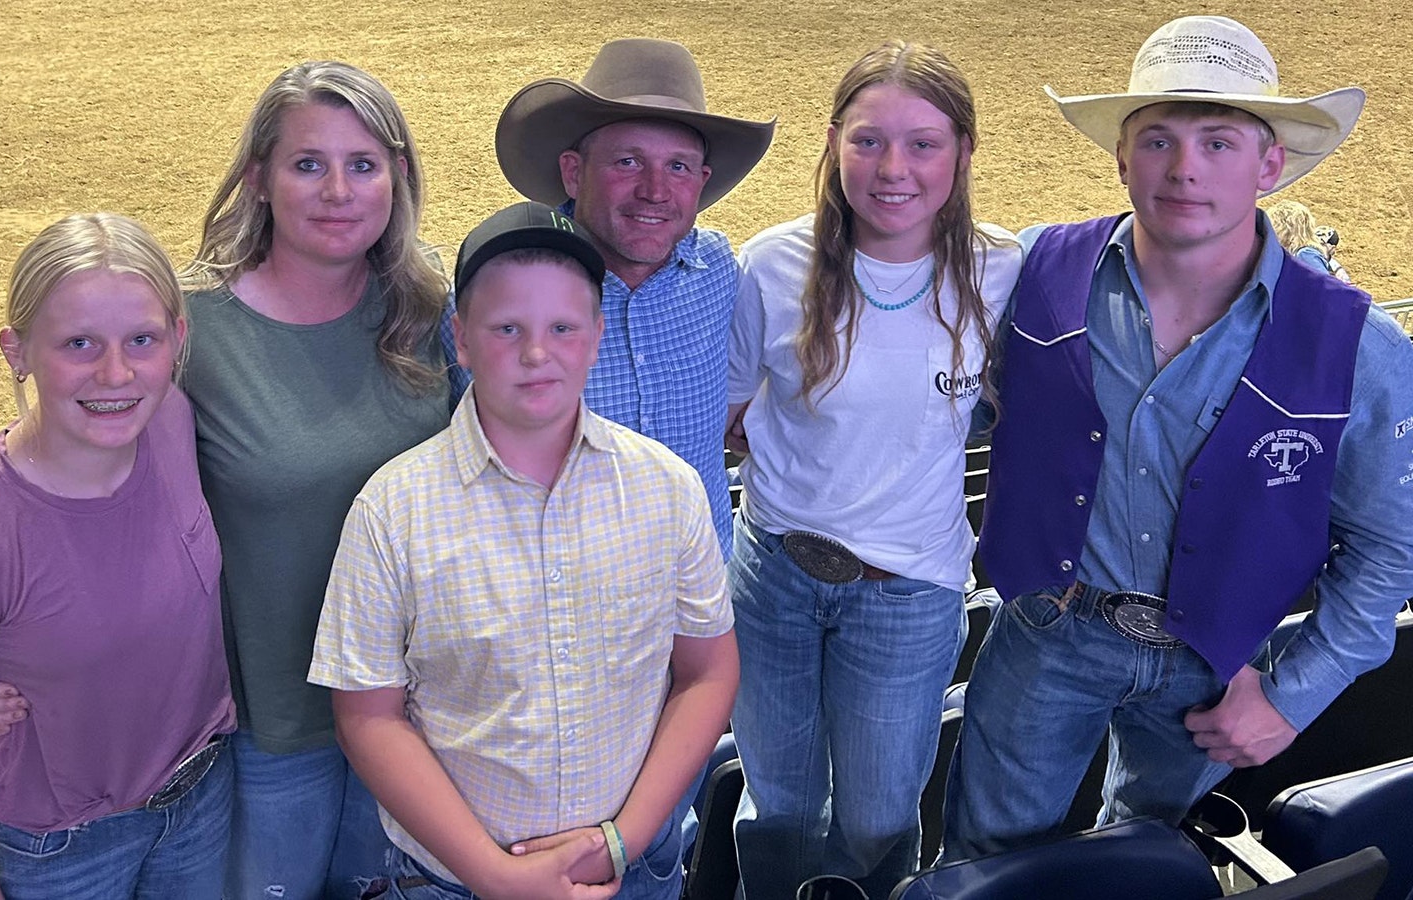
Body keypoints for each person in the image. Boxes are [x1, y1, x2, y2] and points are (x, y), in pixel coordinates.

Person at [0, 61, 452, 899]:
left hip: (423, 709)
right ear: (259, 177)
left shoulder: (427, 308)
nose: (337, 189)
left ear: (398, 176)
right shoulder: (190, 332)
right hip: (274, 727)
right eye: (308, 164)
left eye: (363, 164)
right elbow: (69, 484)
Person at [941, 15, 1413, 861]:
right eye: (1157, 138)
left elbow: (1389, 547)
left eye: (1220, 142)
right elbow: (954, 409)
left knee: (1149, 861)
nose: (1185, 168)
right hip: (1050, 630)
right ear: (1122, 158)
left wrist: (1291, 696)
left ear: (1271, 164)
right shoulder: (1039, 272)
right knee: (986, 864)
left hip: (1218, 662)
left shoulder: (1362, 346)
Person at [310, 201, 740, 900]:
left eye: (563, 328)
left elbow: (707, 673)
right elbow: (368, 716)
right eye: (507, 328)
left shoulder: (669, 489)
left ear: (596, 336)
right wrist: (495, 876)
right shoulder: (391, 512)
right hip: (453, 882)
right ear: (462, 340)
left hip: (636, 867)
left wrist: (622, 839)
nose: (537, 354)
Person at [724, 42, 1020, 898]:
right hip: (772, 576)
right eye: (868, 141)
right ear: (833, 143)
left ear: (964, 152)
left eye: (923, 143)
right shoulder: (771, 264)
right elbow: (733, 412)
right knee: (775, 806)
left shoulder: (1003, 271)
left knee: (880, 816)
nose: (894, 169)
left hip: (910, 591)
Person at [0, 212, 236, 900]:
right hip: (60, 850)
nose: (116, 372)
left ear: (178, 340)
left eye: (142, 339)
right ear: (17, 352)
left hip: (202, 796)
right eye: (78, 343)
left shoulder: (170, 421)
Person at [446, 38, 776, 555]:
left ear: (702, 180)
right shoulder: (498, 297)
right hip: (557, 602)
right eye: (627, 162)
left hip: (699, 592)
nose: (655, 191)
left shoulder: (718, 272)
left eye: (679, 167)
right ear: (573, 172)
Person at [1267, 199, 1333, 275]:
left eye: (1274, 226)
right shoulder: (1300, 254)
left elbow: (1322, 284)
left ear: (1285, 228)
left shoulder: (1305, 254)